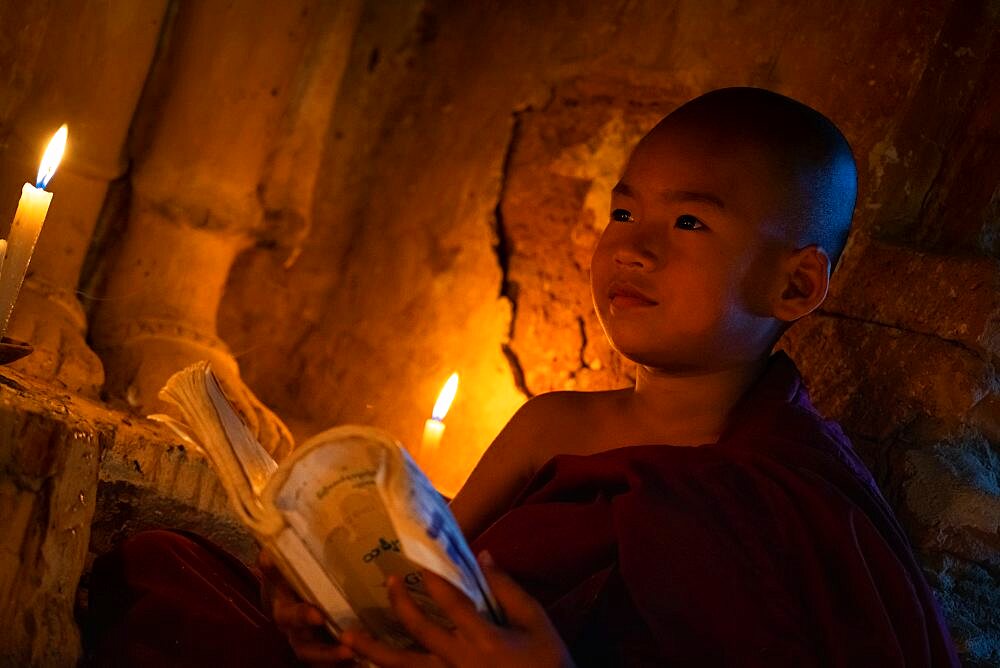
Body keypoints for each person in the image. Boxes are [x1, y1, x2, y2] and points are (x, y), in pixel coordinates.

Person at [89, 88, 960, 667]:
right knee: (168, 566)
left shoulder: (800, 498)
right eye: (624, 210)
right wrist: (334, 611)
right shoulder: (554, 427)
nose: (631, 244)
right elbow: (417, 585)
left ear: (796, 283)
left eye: (689, 220)